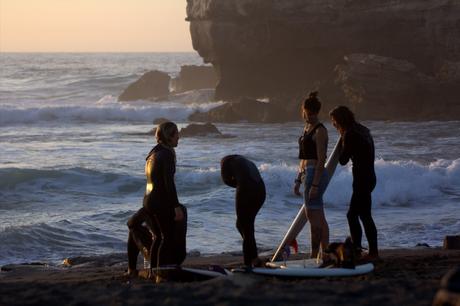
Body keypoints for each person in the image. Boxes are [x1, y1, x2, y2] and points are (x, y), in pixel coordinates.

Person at [126, 121, 185, 277]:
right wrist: (176, 206)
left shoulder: (153, 152)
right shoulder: (167, 155)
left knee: (136, 226)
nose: (179, 137)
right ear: (169, 137)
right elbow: (168, 183)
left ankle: (135, 269)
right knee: (163, 237)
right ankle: (157, 274)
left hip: (148, 201)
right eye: (176, 134)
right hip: (159, 202)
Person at [329, 105, 378, 260]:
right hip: (370, 176)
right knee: (364, 215)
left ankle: (362, 251)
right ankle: (369, 250)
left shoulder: (349, 134)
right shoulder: (363, 130)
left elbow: (343, 160)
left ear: (340, 120)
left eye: (334, 121)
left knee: (353, 215)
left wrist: (341, 142)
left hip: (362, 179)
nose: (333, 124)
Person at [294, 91, 330, 260]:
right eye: (307, 114)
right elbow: (303, 158)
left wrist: (314, 184)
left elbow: (321, 159)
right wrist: (298, 179)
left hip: (315, 174)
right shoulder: (307, 128)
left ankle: (316, 254)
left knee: (313, 216)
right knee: (318, 216)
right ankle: (325, 254)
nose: (309, 117)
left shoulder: (320, 130)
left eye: (312, 114)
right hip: (307, 173)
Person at [221, 155, 266, 268]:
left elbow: (226, 180)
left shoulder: (224, 162)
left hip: (246, 189)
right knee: (244, 225)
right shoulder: (243, 160)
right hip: (261, 191)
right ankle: (254, 257)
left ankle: (249, 263)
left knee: (245, 226)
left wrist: (239, 185)